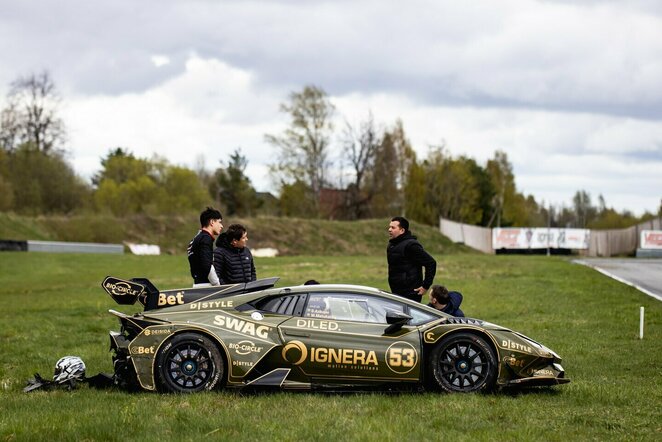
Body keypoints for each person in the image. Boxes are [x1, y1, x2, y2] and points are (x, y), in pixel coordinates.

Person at [387, 216, 436, 303]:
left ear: (402, 230)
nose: (389, 230)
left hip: (410, 293)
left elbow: (431, 263)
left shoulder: (411, 245)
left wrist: (425, 286)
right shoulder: (391, 245)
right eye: (389, 227)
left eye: (393, 227)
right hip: (396, 291)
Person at [187, 207, 223, 287]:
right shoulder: (206, 239)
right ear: (212, 222)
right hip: (207, 286)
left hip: (198, 284)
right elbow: (207, 265)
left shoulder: (196, 239)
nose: (221, 226)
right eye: (219, 222)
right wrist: (217, 284)